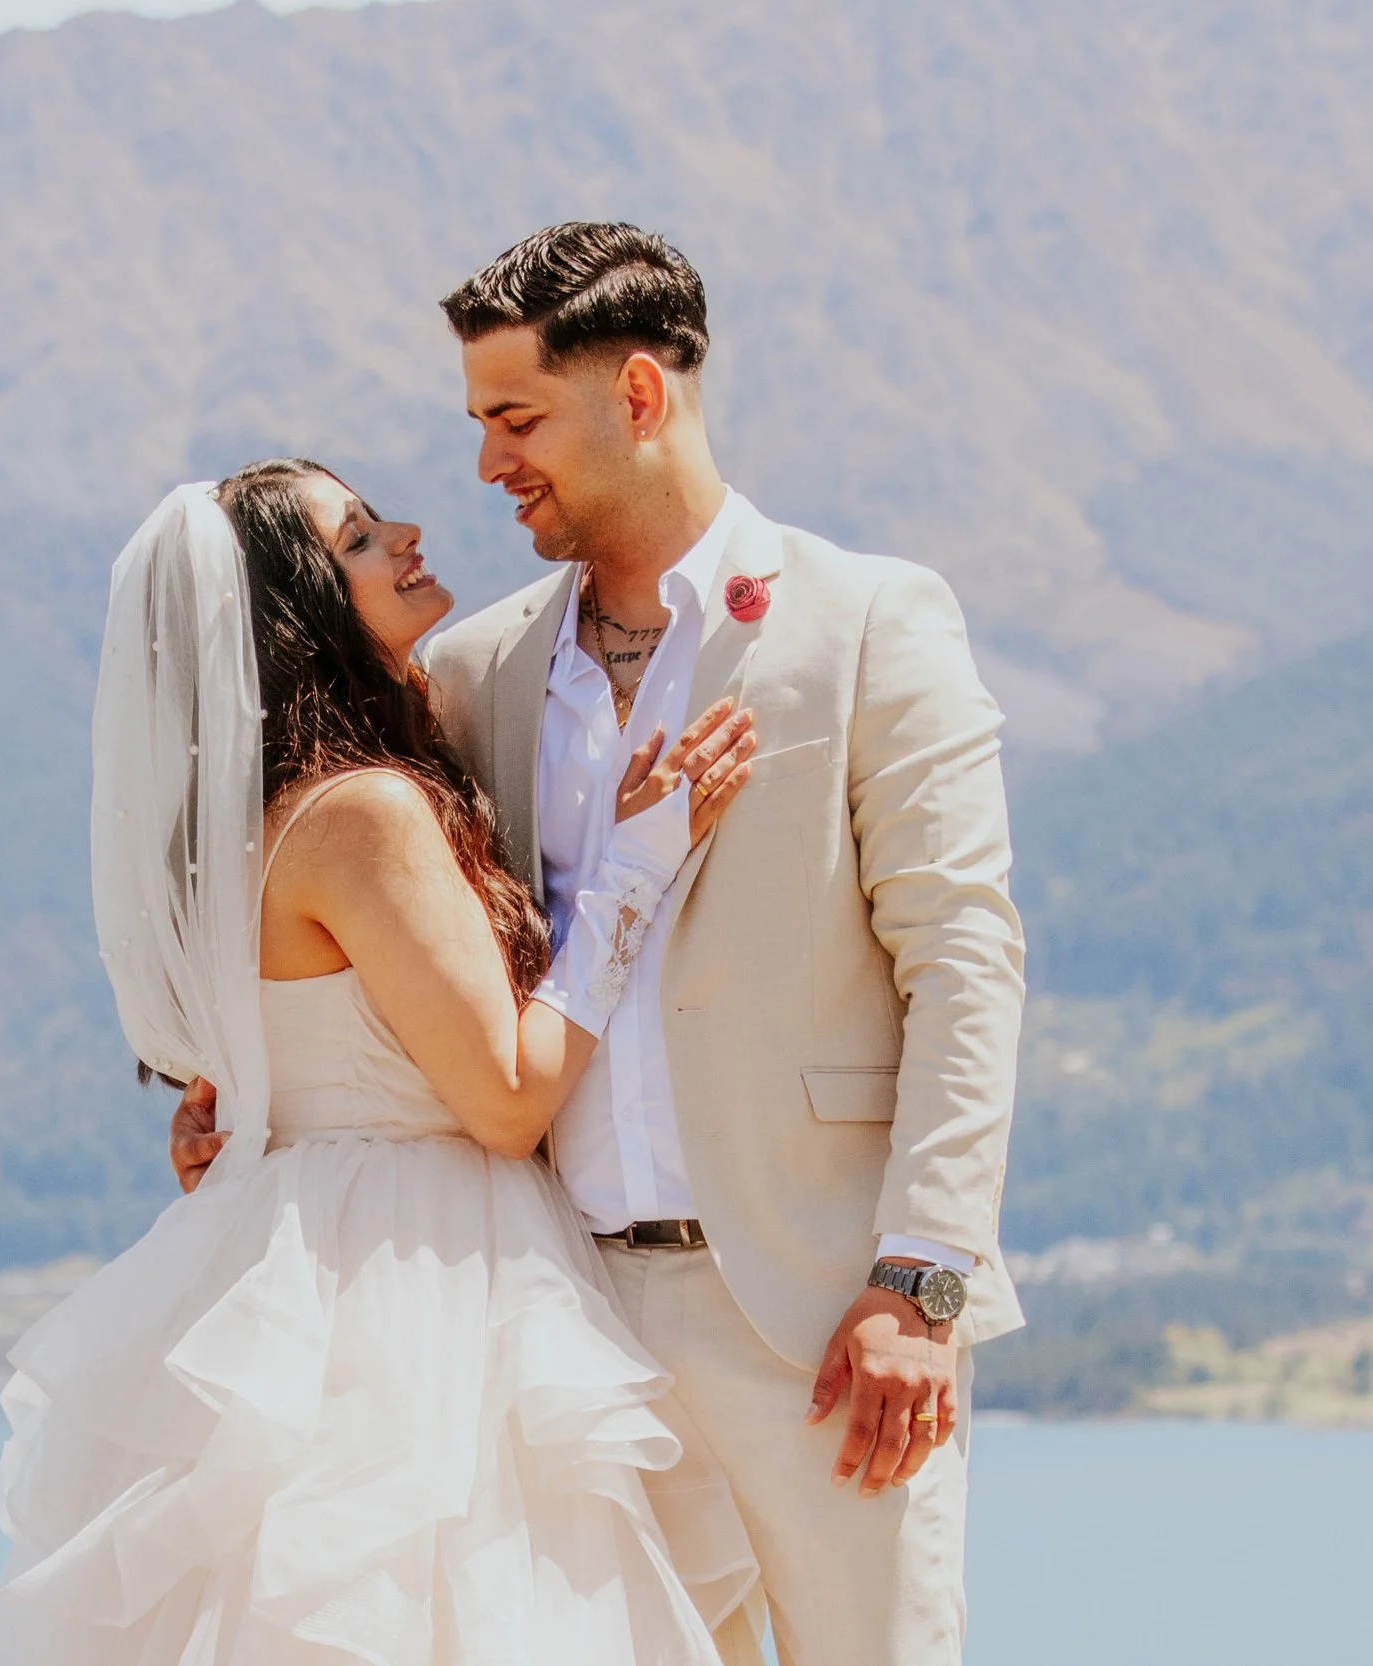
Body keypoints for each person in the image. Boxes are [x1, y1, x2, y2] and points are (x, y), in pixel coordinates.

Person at [177, 223, 1028, 1664]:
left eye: (517, 420)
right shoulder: (468, 668)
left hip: (823, 1323)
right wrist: (252, 1095)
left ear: (639, 395)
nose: (488, 465)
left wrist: (921, 1284)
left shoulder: (871, 621)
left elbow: (965, 960)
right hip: (555, 1333)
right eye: (479, 424)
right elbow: (369, 922)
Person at [0, 459, 761, 1664]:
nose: (406, 534)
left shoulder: (270, 817)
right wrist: (635, 868)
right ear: (299, 604)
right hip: (420, 1283)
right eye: (356, 537)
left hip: (318, 1249)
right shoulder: (362, 816)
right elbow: (503, 1101)